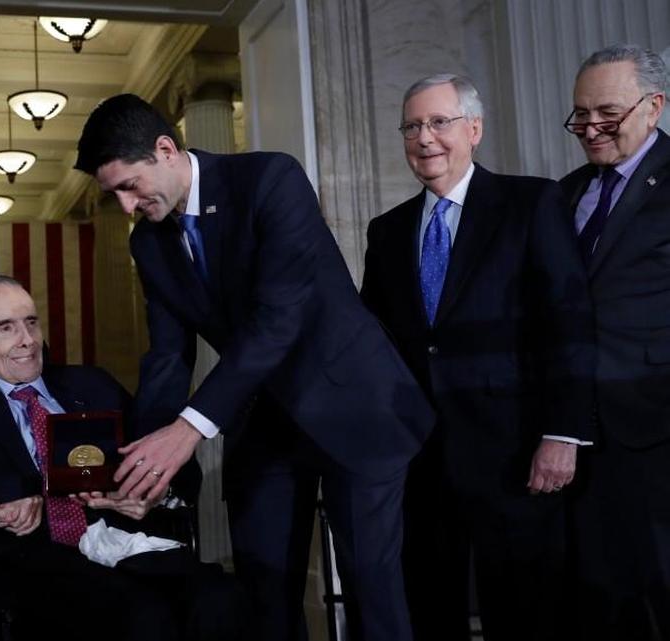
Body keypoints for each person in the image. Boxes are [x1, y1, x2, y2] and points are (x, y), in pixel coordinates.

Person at [74, 93, 435, 641]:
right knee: (262, 593)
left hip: (355, 404)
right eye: (113, 194)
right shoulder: (148, 243)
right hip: (263, 418)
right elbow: (168, 356)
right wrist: (147, 467)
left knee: (371, 588)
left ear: (165, 150)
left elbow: (278, 322)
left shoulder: (270, 179)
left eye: (129, 186)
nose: (126, 206)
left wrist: (190, 429)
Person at [0, 276, 247, 641]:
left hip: (119, 544)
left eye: (31, 323)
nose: (27, 340)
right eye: (6, 328)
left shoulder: (92, 386)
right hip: (22, 565)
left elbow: (169, 463)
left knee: (221, 598)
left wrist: (152, 492)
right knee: (141, 616)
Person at [359, 74, 594, 641]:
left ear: (474, 129)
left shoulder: (531, 201)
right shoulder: (386, 231)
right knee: (431, 606)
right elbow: (375, 344)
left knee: (524, 611)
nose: (425, 138)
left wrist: (563, 432)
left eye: (439, 122)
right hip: (421, 461)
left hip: (516, 453)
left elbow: (567, 319)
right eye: (412, 126)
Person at [557, 43, 669, 641]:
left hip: (659, 424)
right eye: (580, 114)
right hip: (582, 432)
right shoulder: (568, 190)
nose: (590, 127)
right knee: (602, 597)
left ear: (654, 107)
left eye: (607, 113)